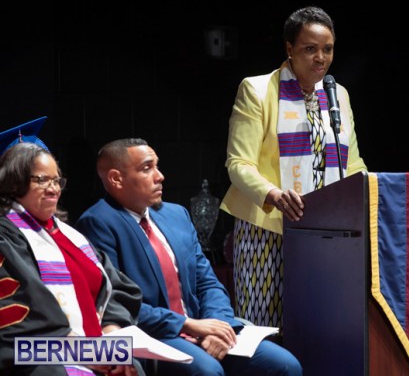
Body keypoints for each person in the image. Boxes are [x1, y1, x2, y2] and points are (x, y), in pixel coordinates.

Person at [75, 138, 302, 376]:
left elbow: (207, 282)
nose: (160, 176)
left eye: (157, 166)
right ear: (116, 179)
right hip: (155, 334)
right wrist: (189, 325)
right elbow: (115, 302)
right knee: (207, 371)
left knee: (285, 365)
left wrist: (218, 327)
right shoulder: (99, 222)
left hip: (202, 327)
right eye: (146, 168)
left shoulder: (176, 214)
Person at [220, 6, 367, 330]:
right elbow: (238, 163)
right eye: (310, 49)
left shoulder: (338, 95)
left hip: (325, 230)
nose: (321, 58)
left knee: (318, 326)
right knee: (266, 328)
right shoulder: (257, 90)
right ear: (290, 49)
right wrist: (274, 194)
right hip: (267, 230)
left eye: (328, 49)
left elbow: (352, 163)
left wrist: (367, 193)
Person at [0, 141, 144, 376]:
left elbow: (113, 286)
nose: (53, 189)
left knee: (131, 365)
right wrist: (84, 352)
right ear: (15, 182)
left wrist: (111, 332)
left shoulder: (71, 237)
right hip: (35, 354)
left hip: (95, 349)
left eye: (57, 181)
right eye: (41, 180)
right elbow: (26, 312)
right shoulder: (6, 237)